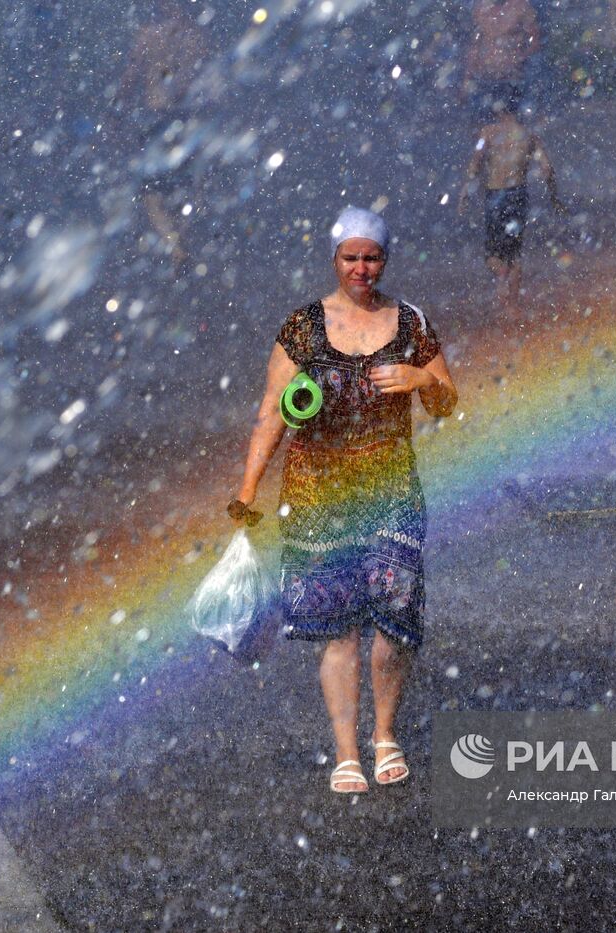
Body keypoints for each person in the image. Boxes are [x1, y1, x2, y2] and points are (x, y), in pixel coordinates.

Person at [229, 207, 458, 793]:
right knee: (340, 630)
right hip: (318, 496)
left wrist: (422, 380)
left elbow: (446, 401)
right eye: (351, 257)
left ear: (386, 258)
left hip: (390, 493)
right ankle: (346, 750)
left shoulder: (410, 324)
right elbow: (271, 413)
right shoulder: (303, 328)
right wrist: (248, 490)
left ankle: (386, 734)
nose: (362, 268)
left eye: (372, 256)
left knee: (394, 625)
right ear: (334, 259)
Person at [113, 0, 209, 273]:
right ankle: (187, 239)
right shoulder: (195, 37)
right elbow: (206, 78)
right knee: (191, 184)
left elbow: (129, 80)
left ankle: (176, 245)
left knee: (152, 193)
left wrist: (116, 111)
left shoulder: (148, 36)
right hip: (188, 116)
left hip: (157, 118)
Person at [458, 86, 567, 316]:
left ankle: (501, 274)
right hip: (518, 195)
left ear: (498, 109)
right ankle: (513, 306)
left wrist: (465, 191)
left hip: (495, 195)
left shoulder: (486, 134)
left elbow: (475, 161)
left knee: (491, 254)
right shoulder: (527, 135)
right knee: (514, 252)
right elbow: (547, 168)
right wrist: (554, 197)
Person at [464, 0, 540, 103]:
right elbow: (473, 42)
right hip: (484, 77)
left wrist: (519, 58)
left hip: (512, 79)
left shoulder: (520, 5)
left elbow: (535, 39)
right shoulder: (480, 7)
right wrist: (467, 78)